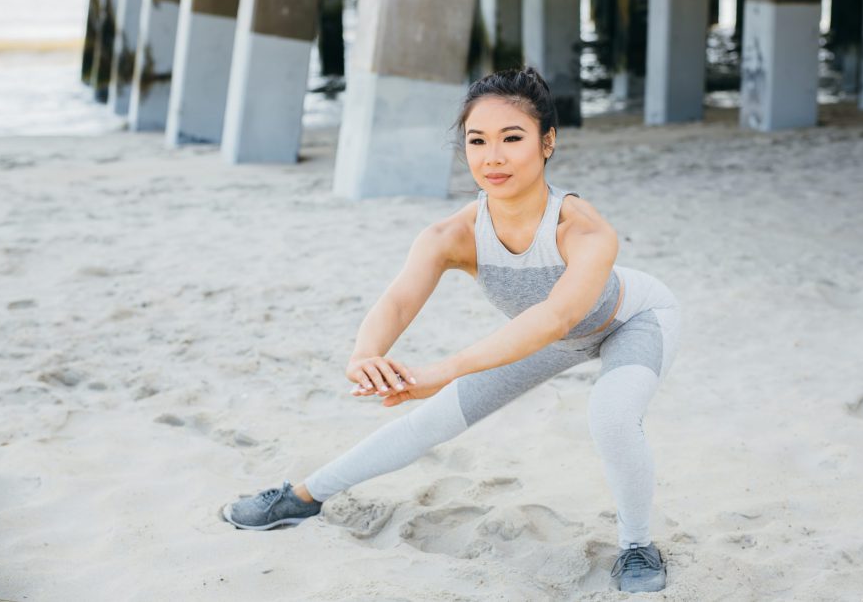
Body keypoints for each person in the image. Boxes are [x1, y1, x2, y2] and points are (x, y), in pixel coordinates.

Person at [221, 67, 681, 594]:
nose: (493, 157)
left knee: (611, 413)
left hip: (632, 320)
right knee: (429, 421)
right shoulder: (452, 235)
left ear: (548, 142)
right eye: (477, 141)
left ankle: (638, 546)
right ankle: (301, 497)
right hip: (545, 337)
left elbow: (554, 316)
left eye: (512, 139)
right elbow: (397, 300)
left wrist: (441, 370)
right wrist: (363, 355)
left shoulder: (581, 228)